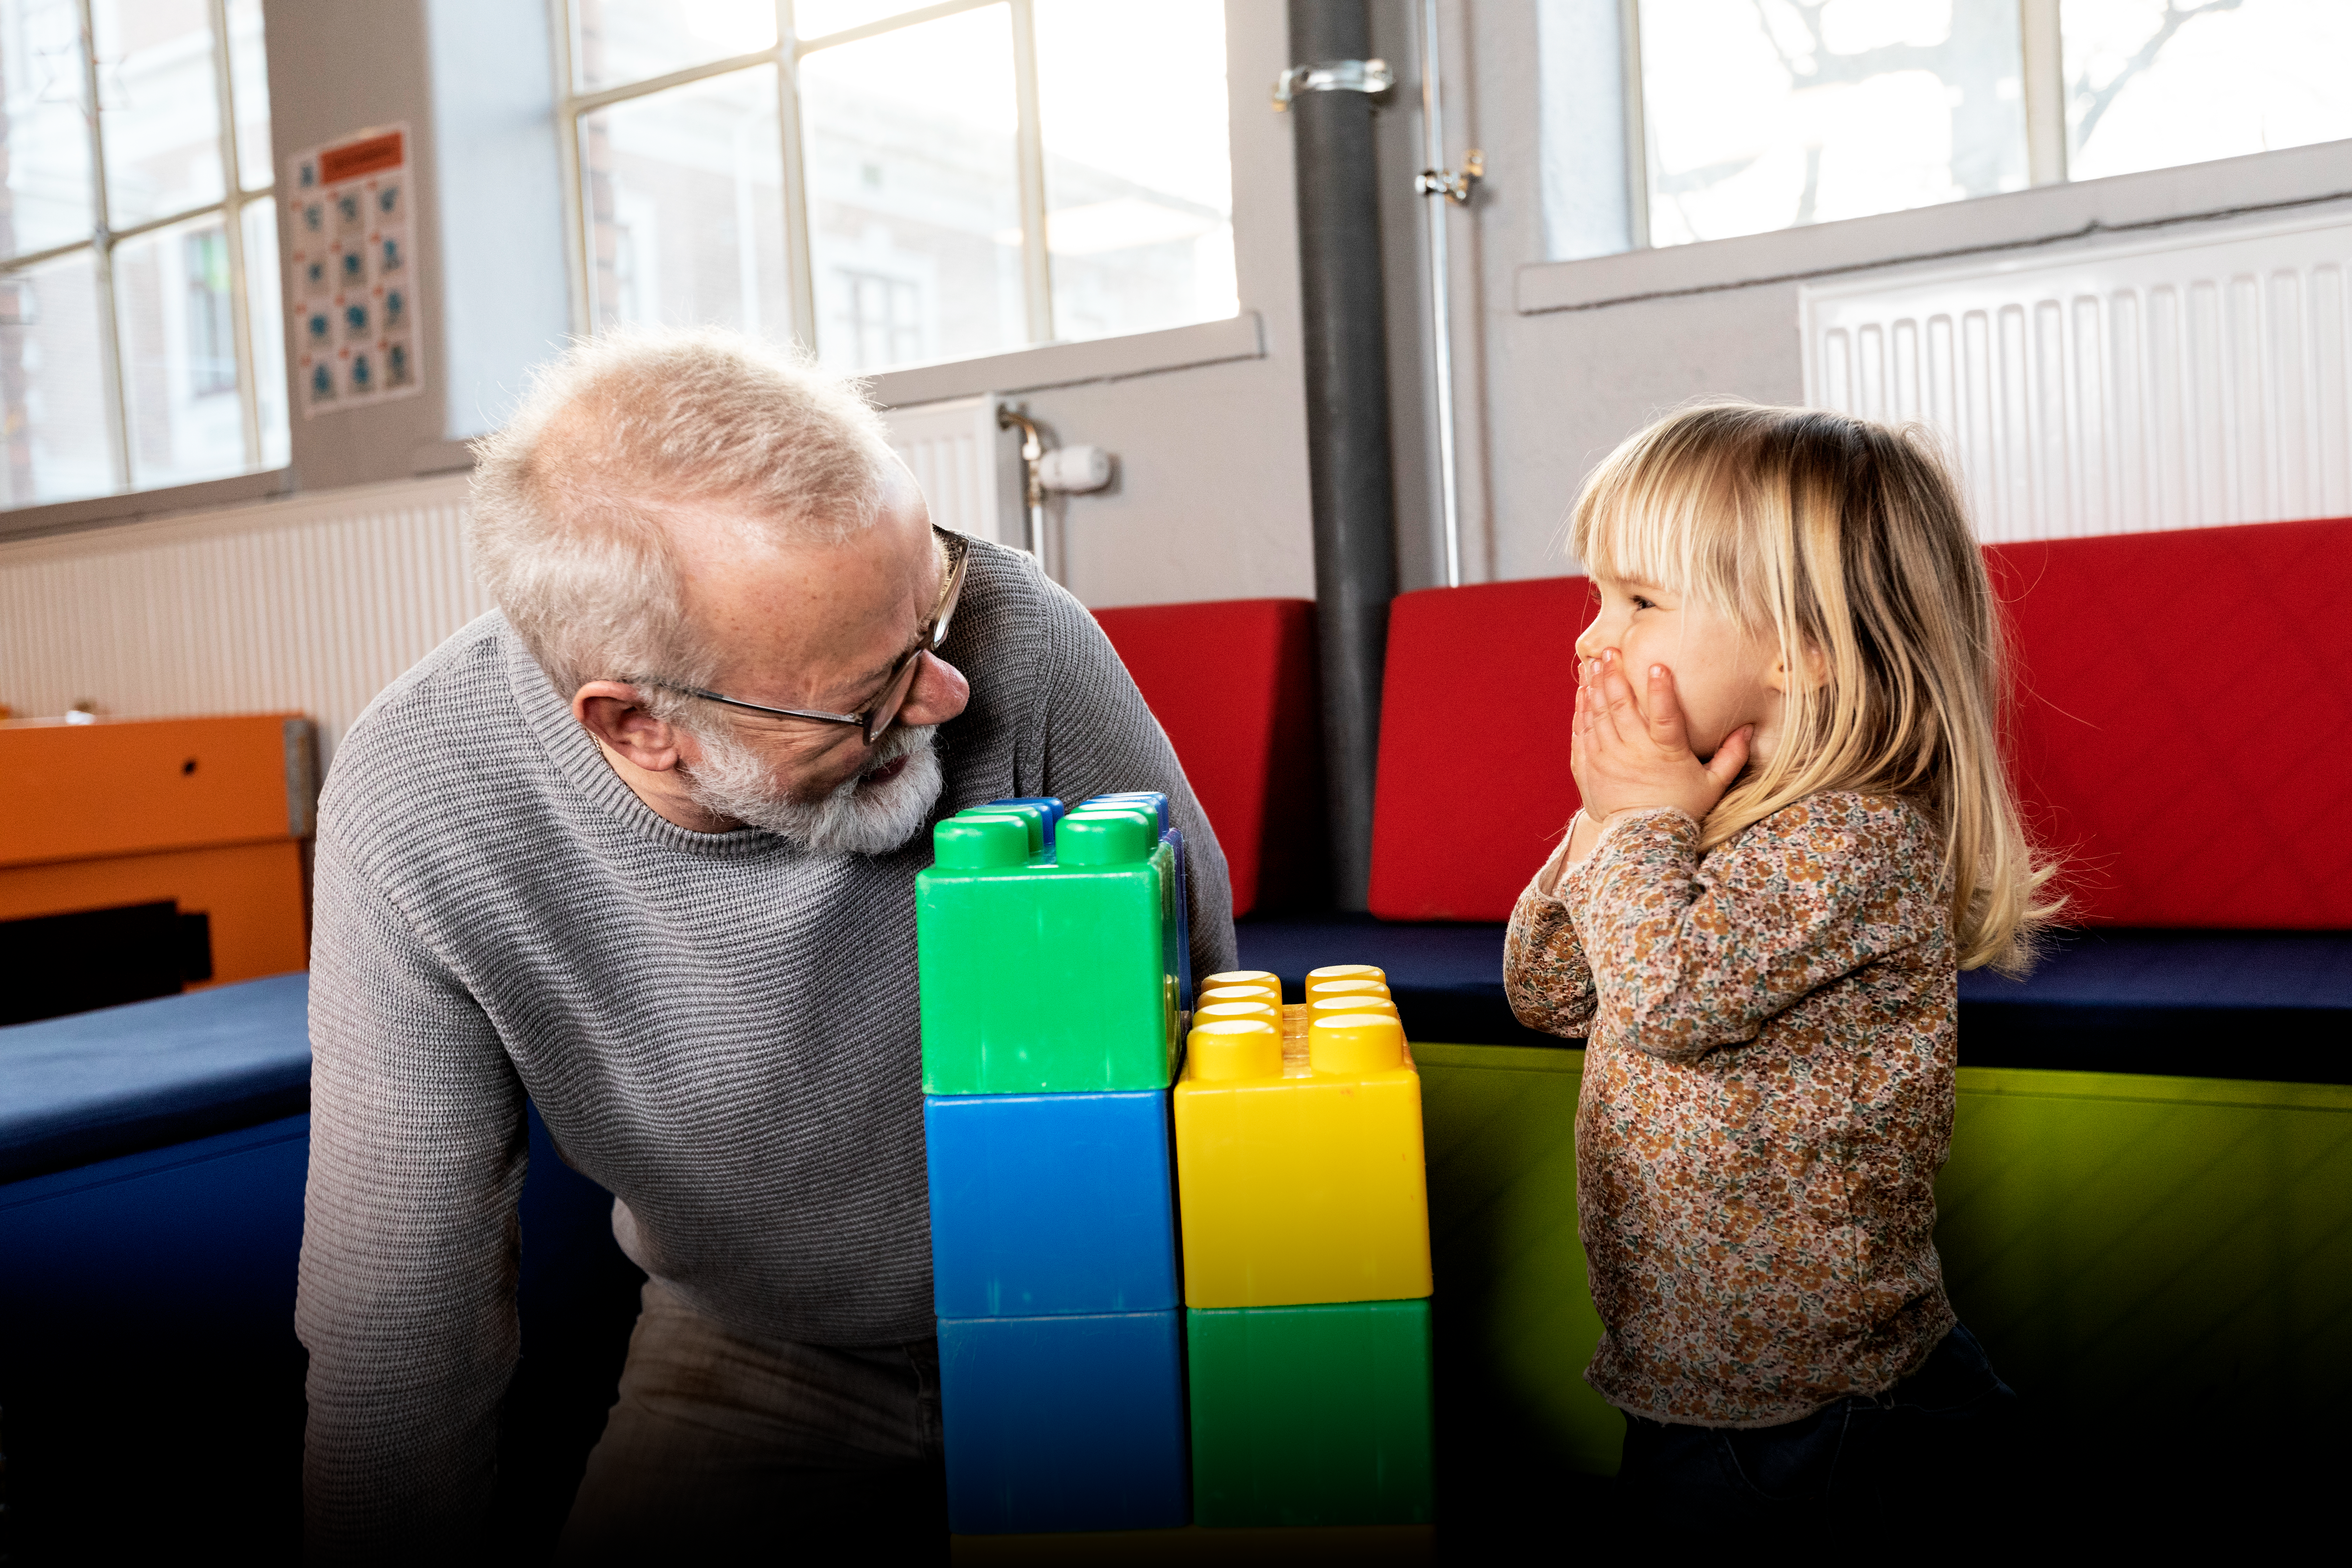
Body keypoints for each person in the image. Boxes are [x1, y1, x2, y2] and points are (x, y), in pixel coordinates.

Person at [296, 327, 1235, 1560]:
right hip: (758, 1344)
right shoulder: (421, 802)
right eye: (871, 692)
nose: (948, 690)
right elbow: (399, 1312)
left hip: (1104, 1302)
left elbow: (1215, 1017)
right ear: (638, 724)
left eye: (932, 611)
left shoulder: (1016, 637)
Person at [1502, 402, 2048, 1524]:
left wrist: (1645, 822)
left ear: (1804, 643)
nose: (1590, 637)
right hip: (1697, 1373)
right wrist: (1605, 826)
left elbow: (1667, 997)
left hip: (1812, 1407)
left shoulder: (1854, 838)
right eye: (1597, 598)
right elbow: (1547, 989)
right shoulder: (1692, 819)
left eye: (1641, 603)